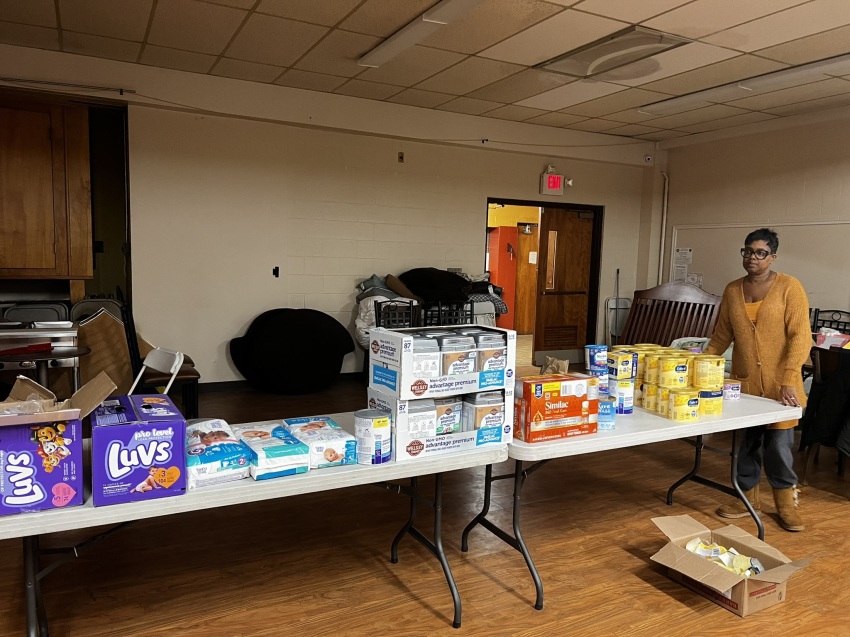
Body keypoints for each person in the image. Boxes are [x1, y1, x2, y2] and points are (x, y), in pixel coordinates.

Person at [704, 228, 811, 532]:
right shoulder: (732, 290)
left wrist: (790, 377)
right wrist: (700, 362)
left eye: (760, 252)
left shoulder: (790, 287)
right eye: (748, 251)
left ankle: (785, 502)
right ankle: (745, 497)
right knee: (747, 444)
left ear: (772, 256)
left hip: (781, 386)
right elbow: (722, 335)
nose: (752, 257)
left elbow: (800, 337)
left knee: (778, 445)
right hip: (746, 384)